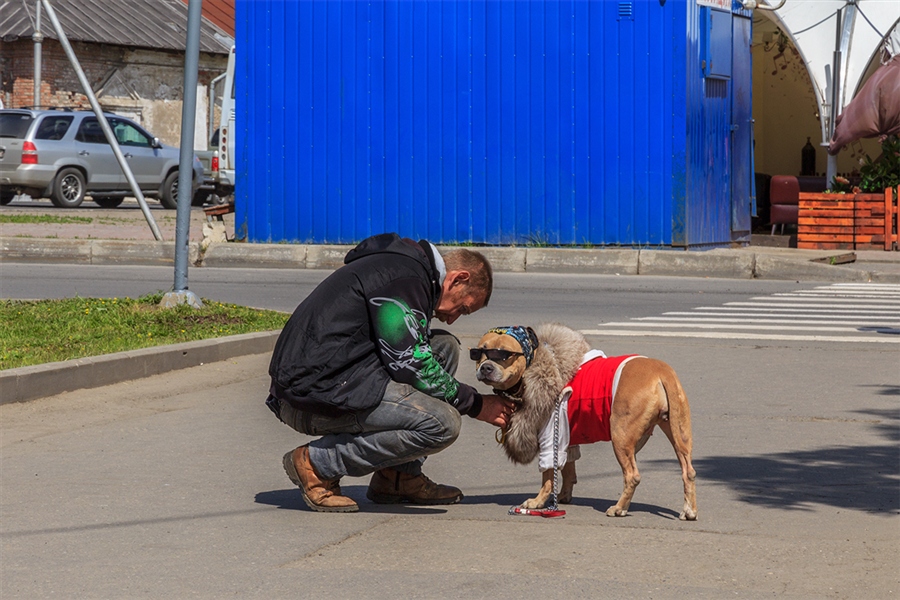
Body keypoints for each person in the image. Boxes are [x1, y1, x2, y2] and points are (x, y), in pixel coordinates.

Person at [266, 232, 515, 512]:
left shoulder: (409, 271)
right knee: (442, 423)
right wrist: (477, 404)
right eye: (463, 308)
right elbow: (412, 364)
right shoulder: (405, 279)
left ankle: (398, 476)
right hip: (310, 396)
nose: (453, 318)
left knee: (443, 346)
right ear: (458, 279)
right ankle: (316, 464)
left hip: (333, 377)